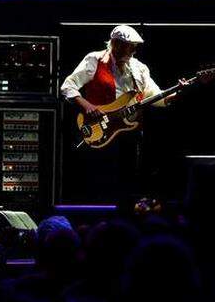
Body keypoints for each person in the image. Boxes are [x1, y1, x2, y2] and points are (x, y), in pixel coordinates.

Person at [60, 25, 183, 201]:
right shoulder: (94, 59)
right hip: (98, 130)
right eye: (129, 46)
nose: (133, 50)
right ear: (115, 44)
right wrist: (87, 105)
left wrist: (178, 93)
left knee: (127, 182)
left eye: (134, 46)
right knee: (100, 181)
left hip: (129, 132)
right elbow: (68, 86)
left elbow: (157, 98)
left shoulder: (139, 68)